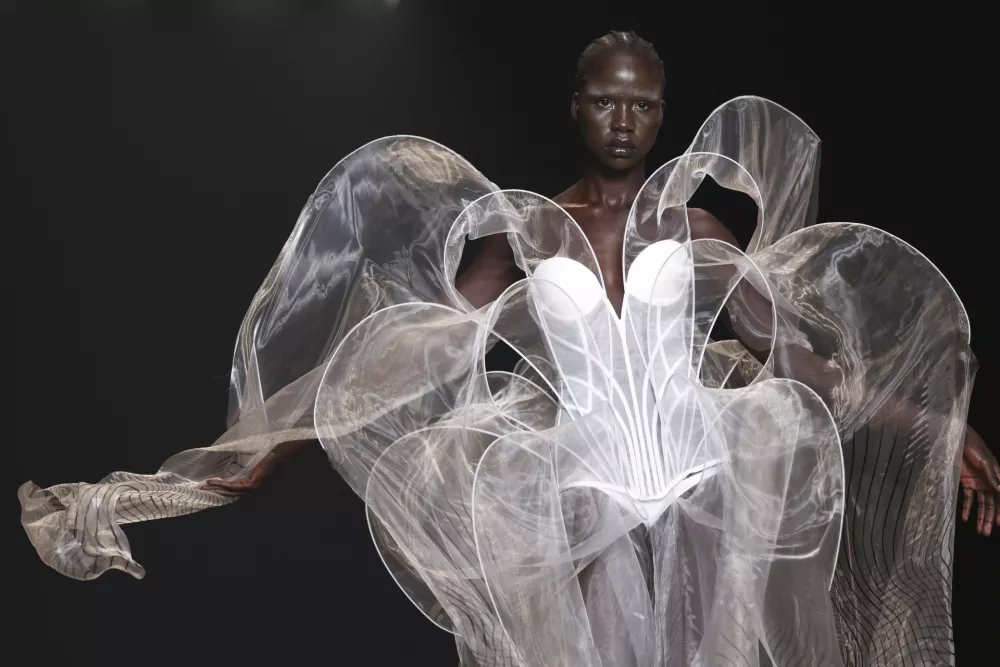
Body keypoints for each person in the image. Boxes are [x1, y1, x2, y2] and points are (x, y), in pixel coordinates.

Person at [205, 31, 1000, 539]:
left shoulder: (695, 229)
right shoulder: (529, 231)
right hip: (576, 499)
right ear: (576, 108)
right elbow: (420, 349)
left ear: (662, 115)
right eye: (606, 101)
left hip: (704, 494)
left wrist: (937, 426)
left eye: (643, 105)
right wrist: (271, 436)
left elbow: (804, 368)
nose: (624, 120)